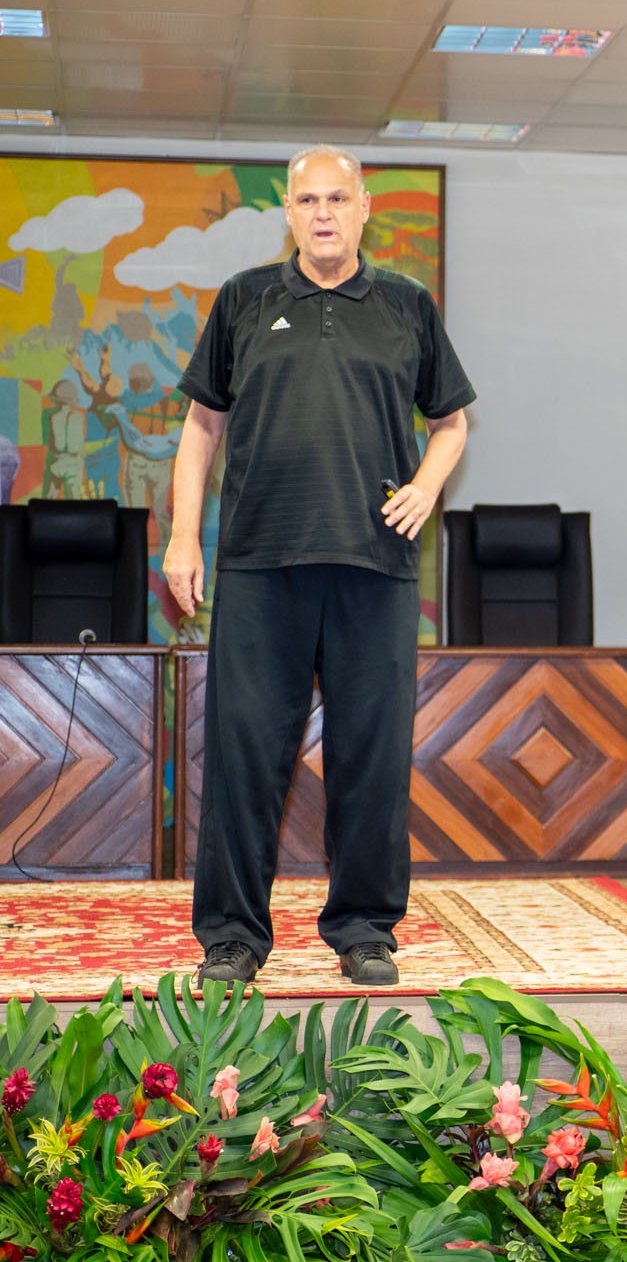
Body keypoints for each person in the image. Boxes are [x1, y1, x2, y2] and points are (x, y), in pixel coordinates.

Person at [165, 144, 475, 990]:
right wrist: (184, 538)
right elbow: (200, 430)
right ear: (290, 213)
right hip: (261, 565)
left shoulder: (407, 307)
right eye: (309, 200)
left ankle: (365, 929)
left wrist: (423, 487)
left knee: (371, 755)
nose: (325, 212)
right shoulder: (243, 300)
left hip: (375, 568)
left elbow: (451, 423)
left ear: (365, 207)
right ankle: (231, 937)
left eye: (340, 197)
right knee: (242, 756)